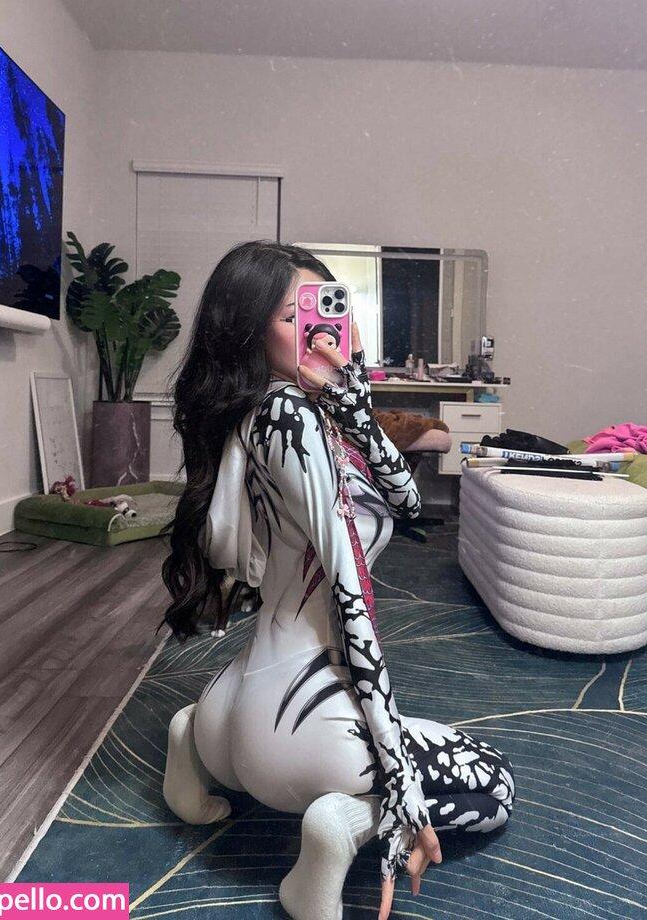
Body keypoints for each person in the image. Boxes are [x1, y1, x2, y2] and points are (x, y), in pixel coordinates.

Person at [159, 240, 516, 920]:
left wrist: (357, 411)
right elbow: (351, 594)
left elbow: (409, 504)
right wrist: (398, 774)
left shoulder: (299, 408)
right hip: (298, 721)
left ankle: (191, 741)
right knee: (491, 782)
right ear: (249, 328)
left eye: (325, 307)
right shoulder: (289, 416)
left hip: (235, 705)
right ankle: (341, 826)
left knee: (259, 721)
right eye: (291, 314)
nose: (318, 328)